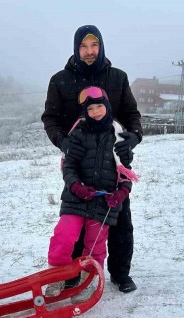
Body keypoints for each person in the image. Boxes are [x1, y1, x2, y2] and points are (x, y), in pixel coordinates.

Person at [41, 24, 143, 293]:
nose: (89, 51)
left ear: (101, 47)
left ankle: (120, 274)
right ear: (76, 48)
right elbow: (50, 118)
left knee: (119, 220)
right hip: (79, 161)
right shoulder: (60, 80)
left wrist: (133, 136)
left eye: (94, 46)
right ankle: (73, 274)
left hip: (112, 162)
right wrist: (63, 143)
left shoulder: (117, 78)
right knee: (75, 219)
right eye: (83, 46)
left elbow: (132, 114)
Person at [45, 87, 136, 303]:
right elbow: (69, 165)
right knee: (64, 236)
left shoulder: (117, 137)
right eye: (90, 108)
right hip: (76, 198)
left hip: (103, 204)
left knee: (95, 245)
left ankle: (90, 281)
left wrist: (121, 194)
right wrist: (75, 186)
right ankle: (56, 277)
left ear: (108, 107)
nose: (95, 112)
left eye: (99, 107)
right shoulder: (78, 133)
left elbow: (125, 173)